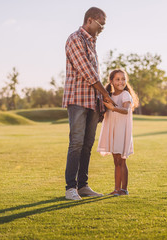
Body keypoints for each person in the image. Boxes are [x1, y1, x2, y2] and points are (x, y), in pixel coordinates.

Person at [63, 7, 116, 200]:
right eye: (101, 24)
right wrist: (107, 95)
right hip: (77, 99)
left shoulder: (92, 42)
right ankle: (70, 188)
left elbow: (96, 76)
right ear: (90, 20)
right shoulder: (75, 39)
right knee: (76, 143)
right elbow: (89, 73)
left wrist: (101, 102)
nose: (102, 28)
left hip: (93, 102)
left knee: (87, 145)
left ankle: (83, 185)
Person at [97, 69, 139, 196]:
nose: (121, 82)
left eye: (123, 79)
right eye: (118, 79)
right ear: (111, 81)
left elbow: (126, 110)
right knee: (116, 160)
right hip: (113, 130)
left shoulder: (125, 95)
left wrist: (113, 108)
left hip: (122, 130)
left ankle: (124, 189)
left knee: (122, 160)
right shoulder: (109, 96)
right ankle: (116, 189)